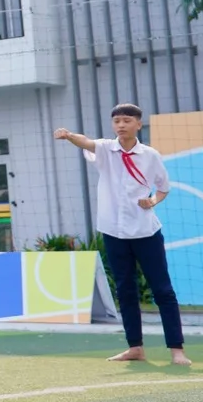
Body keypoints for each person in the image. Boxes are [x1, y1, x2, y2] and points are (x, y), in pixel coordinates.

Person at [56, 105, 189, 366]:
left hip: (145, 231)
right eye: (116, 121)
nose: (121, 125)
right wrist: (69, 135)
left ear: (138, 124)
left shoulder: (150, 155)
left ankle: (177, 350)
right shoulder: (105, 149)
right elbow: (86, 141)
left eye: (127, 120)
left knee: (163, 291)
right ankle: (135, 348)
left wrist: (153, 201)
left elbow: (163, 188)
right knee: (125, 290)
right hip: (113, 232)